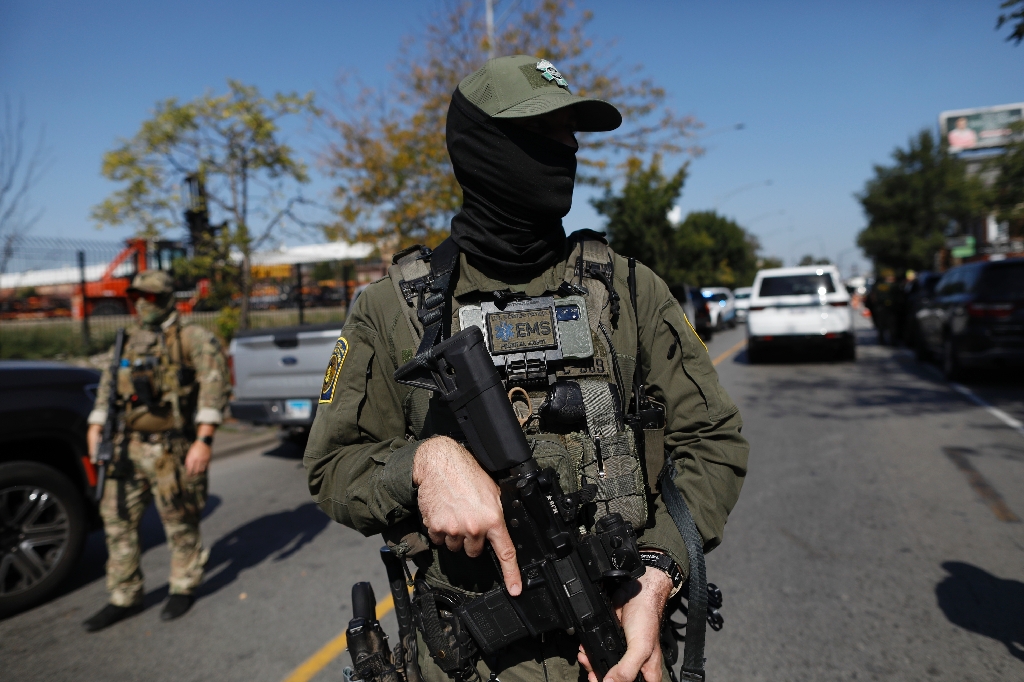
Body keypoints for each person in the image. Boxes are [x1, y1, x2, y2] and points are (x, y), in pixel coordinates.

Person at [304, 54, 748, 682]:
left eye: (570, 134)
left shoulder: (628, 290)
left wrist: (657, 574)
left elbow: (713, 440)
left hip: (621, 653)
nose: (568, 149)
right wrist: (425, 463)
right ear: (482, 148)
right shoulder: (392, 310)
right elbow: (331, 465)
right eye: (543, 133)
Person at [82, 270, 229, 631]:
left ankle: (183, 585)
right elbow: (109, 386)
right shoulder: (127, 340)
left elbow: (214, 387)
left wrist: (203, 441)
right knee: (117, 519)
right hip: (127, 446)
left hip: (172, 448)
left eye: (150, 296)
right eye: (137, 297)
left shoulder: (193, 338)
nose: (142, 304)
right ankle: (124, 595)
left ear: (166, 299)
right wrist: (96, 424)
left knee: (180, 520)